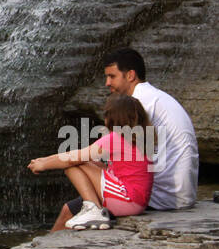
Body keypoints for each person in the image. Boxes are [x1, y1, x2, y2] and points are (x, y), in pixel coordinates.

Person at [47, 48, 200, 232]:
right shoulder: (154, 97)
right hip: (178, 193)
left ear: (130, 75)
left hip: (161, 197)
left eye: (112, 76)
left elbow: (120, 153)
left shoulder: (139, 104)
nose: (107, 83)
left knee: (69, 210)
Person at [27, 93, 155, 230]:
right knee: (70, 204)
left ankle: (93, 209)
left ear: (112, 118)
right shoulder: (138, 138)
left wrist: (44, 165)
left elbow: (74, 158)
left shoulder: (116, 138)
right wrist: (45, 160)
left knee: (74, 165)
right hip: (137, 202)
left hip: (128, 200)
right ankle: (51, 244)